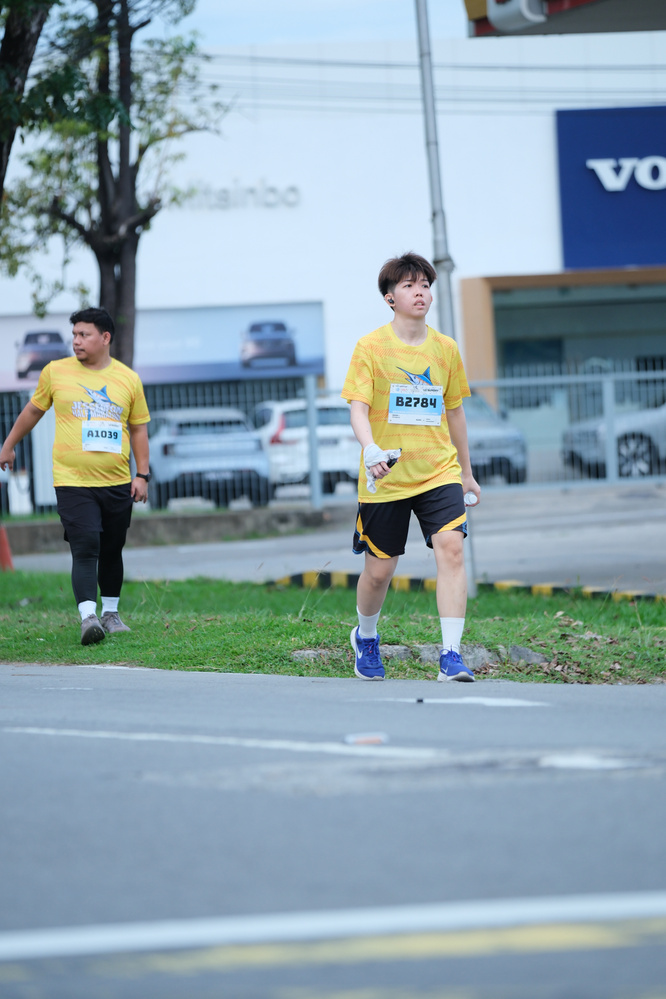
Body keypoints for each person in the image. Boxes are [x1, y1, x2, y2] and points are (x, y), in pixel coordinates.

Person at [341, 252, 481, 682]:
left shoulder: (446, 349)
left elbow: (455, 412)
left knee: (451, 549)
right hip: (386, 475)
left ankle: (451, 654)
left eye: (424, 285)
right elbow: (358, 407)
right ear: (390, 298)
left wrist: (466, 472)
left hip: (438, 470)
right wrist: (370, 449)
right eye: (408, 285)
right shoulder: (370, 347)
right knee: (380, 571)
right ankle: (366, 636)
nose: (420, 292)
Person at [0, 307, 151, 646]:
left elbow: (139, 428)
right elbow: (33, 410)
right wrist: (8, 445)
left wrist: (142, 474)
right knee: (86, 546)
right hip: (72, 481)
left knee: (112, 548)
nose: (76, 341)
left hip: (116, 481)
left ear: (105, 338)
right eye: (74, 335)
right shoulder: (56, 372)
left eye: (84, 335)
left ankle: (111, 614)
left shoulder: (128, 378)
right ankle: (88, 618)